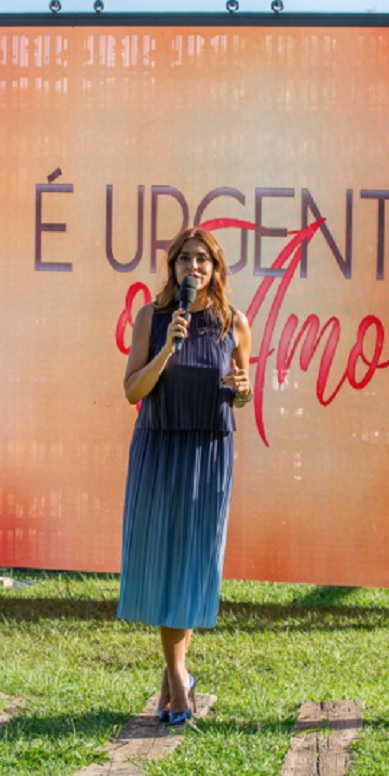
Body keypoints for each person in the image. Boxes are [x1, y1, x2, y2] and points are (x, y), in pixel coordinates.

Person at [117, 227, 253, 725]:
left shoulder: (234, 323)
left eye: (202, 260)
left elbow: (242, 393)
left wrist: (244, 390)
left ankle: (175, 680)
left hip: (208, 453)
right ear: (172, 267)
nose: (193, 267)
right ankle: (178, 678)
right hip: (159, 446)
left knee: (191, 564)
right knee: (163, 562)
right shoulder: (152, 319)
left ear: (215, 270)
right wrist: (167, 350)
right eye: (184, 259)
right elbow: (133, 391)